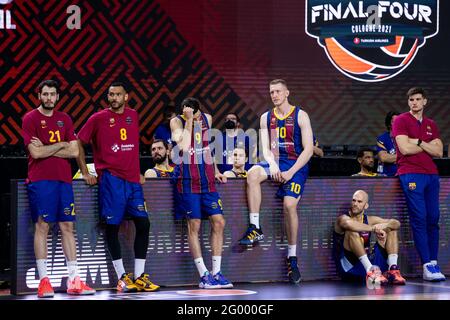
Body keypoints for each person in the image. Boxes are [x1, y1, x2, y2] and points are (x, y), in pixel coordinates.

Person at [76, 82, 160, 292]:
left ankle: (140, 276)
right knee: (112, 227)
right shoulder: (98, 118)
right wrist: (86, 172)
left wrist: (137, 170)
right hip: (111, 180)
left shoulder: (134, 115)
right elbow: (78, 141)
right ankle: (122, 277)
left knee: (143, 224)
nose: (113, 97)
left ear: (126, 97)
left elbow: (131, 147)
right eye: (110, 94)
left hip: (132, 182)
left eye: (117, 94)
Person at [21, 79, 95, 298]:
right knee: (43, 226)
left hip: (64, 181)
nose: (49, 98)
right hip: (41, 180)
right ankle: (44, 282)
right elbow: (35, 154)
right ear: (39, 96)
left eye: (53, 94)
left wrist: (49, 147)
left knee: (67, 227)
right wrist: (62, 145)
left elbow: (74, 151)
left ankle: (74, 280)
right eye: (45, 94)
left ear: (58, 97)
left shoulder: (65, 119)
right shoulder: (30, 118)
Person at [238, 79, 314, 284]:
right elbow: (266, 148)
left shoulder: (301, 115)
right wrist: (272, 165)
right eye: (271, 92)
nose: (274, 95)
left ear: (287, 93)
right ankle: (255, 227)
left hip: (296, 164)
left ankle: (292, 257)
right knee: (252, 173)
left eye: (278, 91)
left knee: (289, 205)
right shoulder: (266, 117)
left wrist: (290, 172)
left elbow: (308, 150)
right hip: (276, 161)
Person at [170, 97, 233, 289]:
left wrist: (215, 170)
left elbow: (208, 148)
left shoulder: (207, 118)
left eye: (195, 115)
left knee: (219, 221)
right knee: (194, 225)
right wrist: (188, 120)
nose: (195, 118)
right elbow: (183, 146)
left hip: (207, 179)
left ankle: (217, 272)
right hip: (187, 180)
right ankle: (204, 275)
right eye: (190, 114)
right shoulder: (177, 121)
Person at [392, 87, 445, 281]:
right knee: (420, 217)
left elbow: (439, 152)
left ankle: (433, 262)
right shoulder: (401, 120)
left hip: (431, 174)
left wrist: (420, 141)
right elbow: (404, 148)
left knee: (433, 218)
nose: (414, 102)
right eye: (411, 100)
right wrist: (427, 145)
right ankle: (426, 265)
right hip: (410, 173)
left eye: (418, 99)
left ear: (425, 101)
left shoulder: (431, 124)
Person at [334, 190, 406, 286]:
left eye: (359, 202)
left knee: (391, 229)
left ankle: (393, 270)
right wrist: (373, 228)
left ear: (366, 206)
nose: (355, 204)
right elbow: (348, 224)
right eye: (354, 200)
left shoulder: (370, 219)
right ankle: (369, 270)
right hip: (350, 268)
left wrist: (383, 227)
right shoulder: (343, 219)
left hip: (370, 264)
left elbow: (396, 223)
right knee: (352, 231)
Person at [376, 111, 400, 176]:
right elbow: (383, 157)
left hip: (403, 176)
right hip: (387, 177)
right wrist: (404, 157)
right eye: (394, 122)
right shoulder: (382, 138)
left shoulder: (406, 138)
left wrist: (392, 158)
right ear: (389, 124)